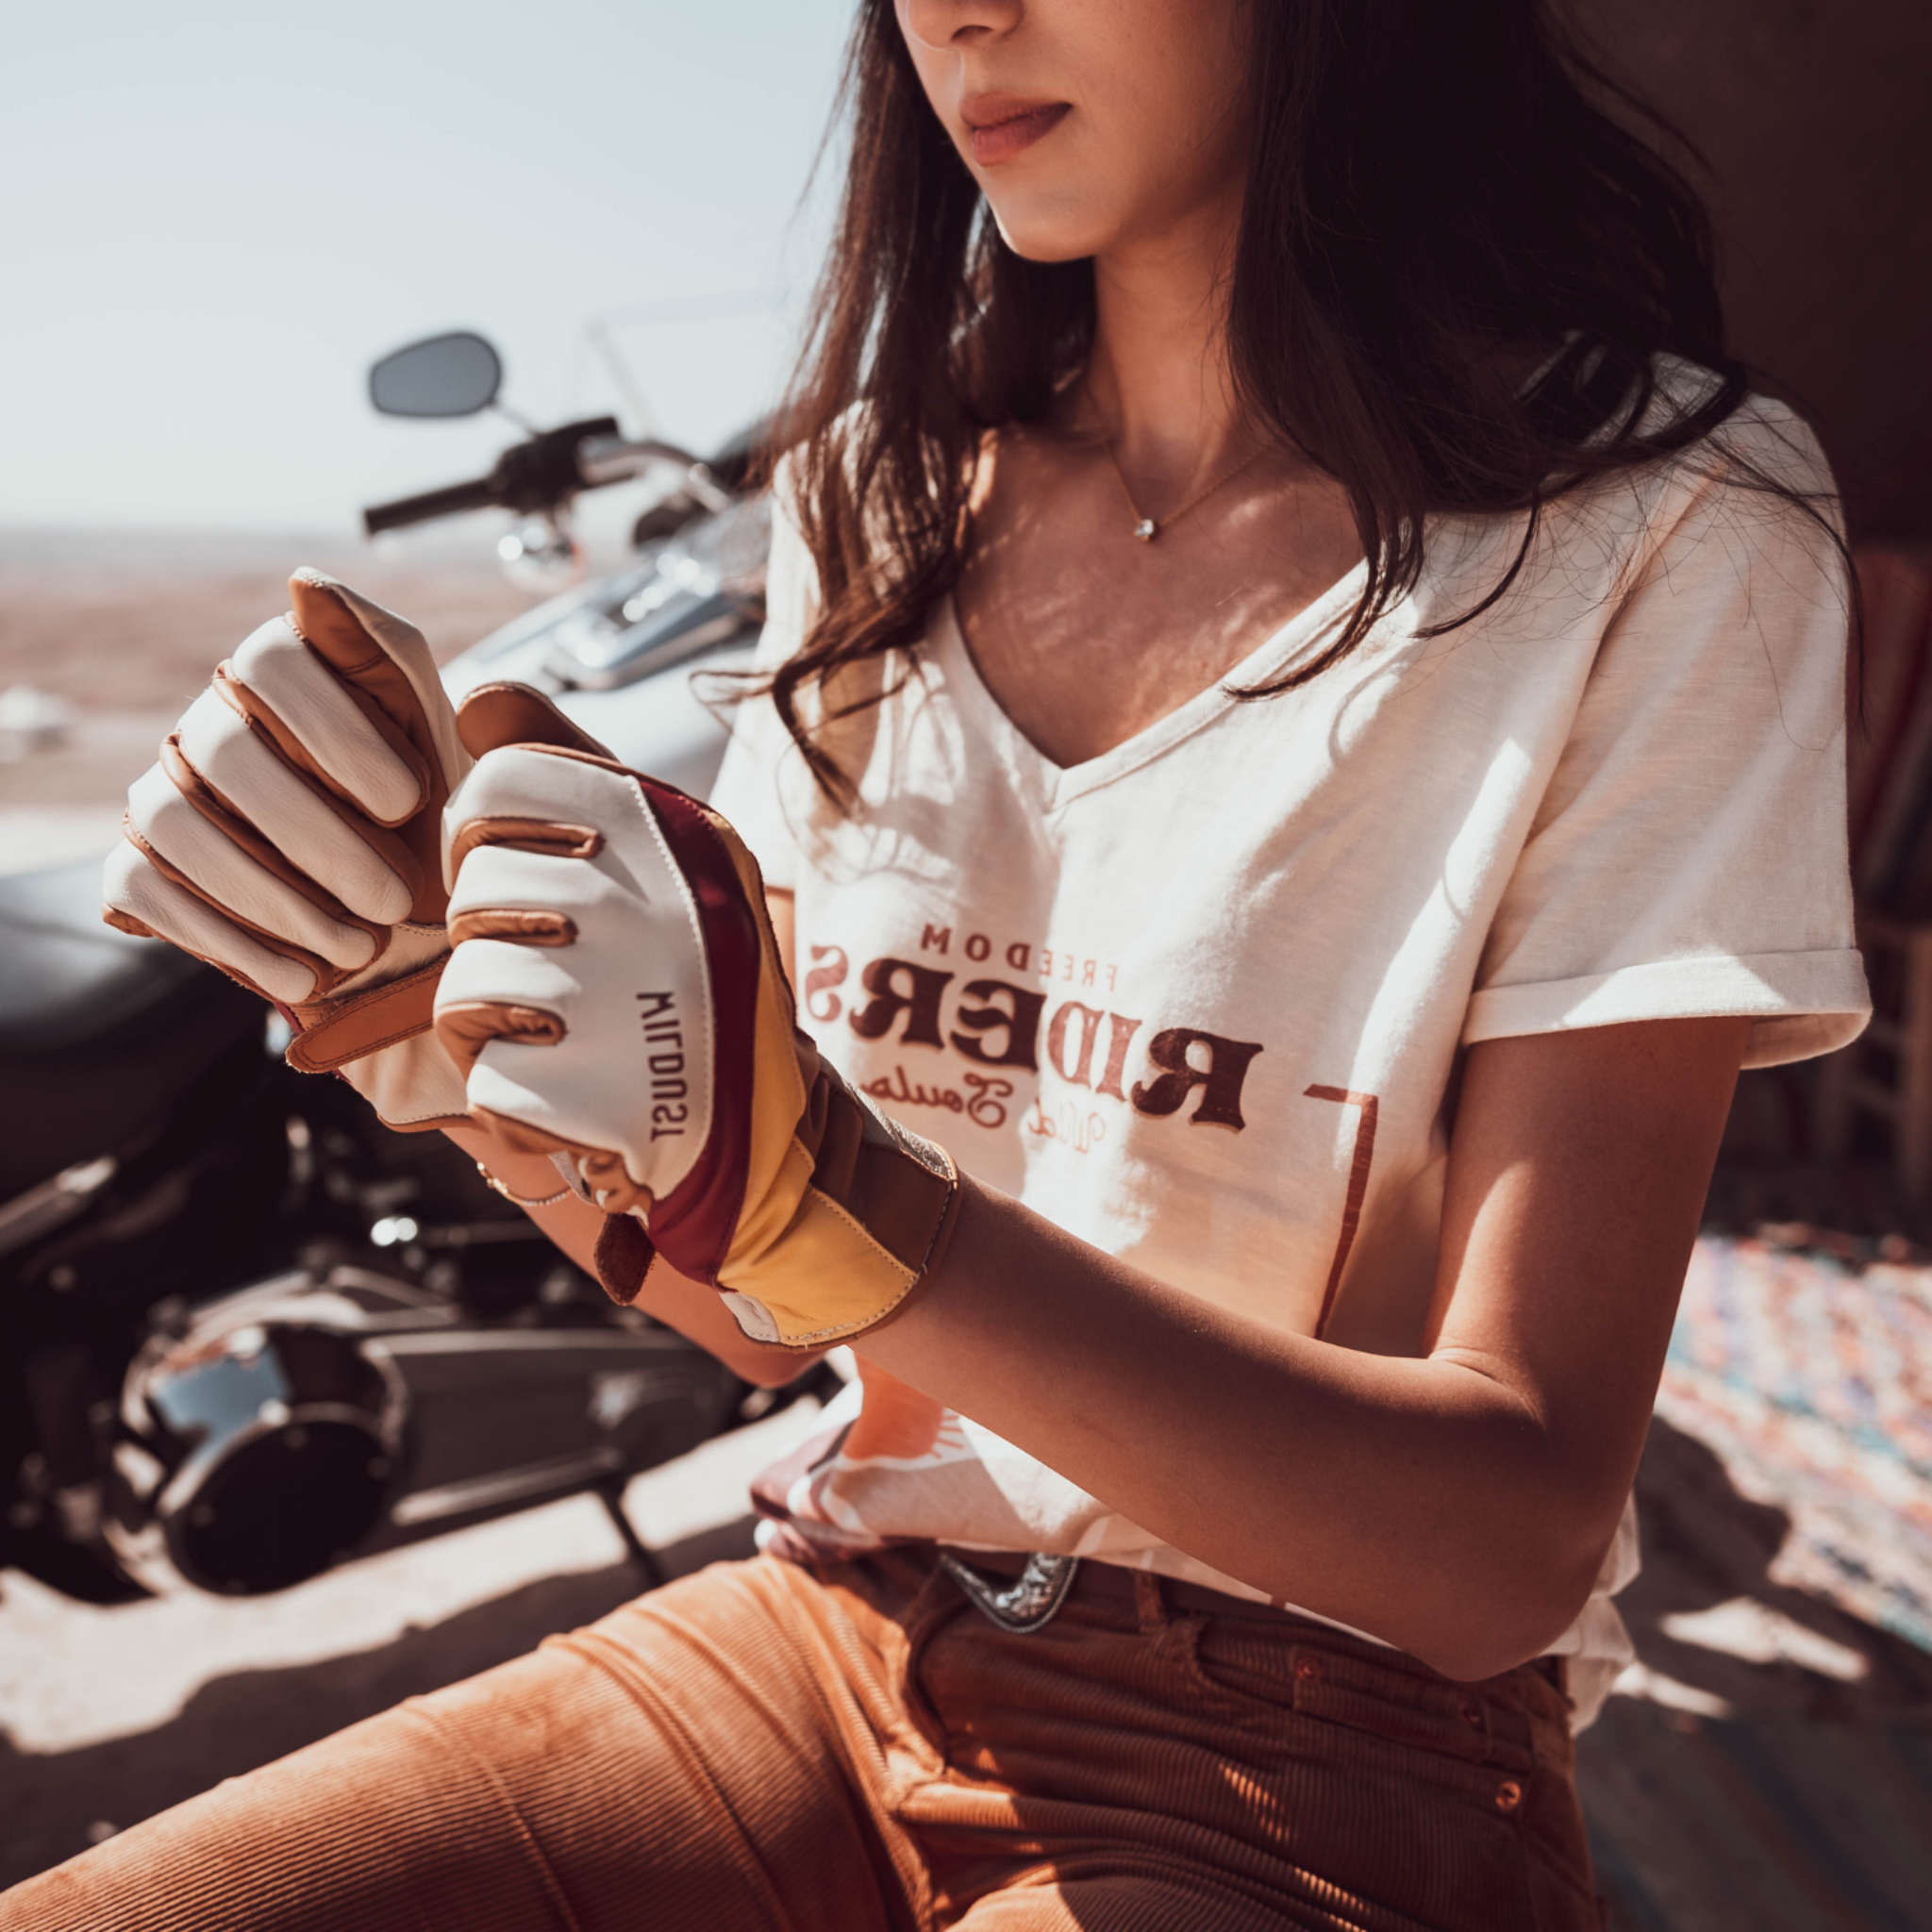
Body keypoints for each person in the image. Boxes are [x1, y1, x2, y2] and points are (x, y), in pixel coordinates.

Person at [8, 1, 1869, 1927]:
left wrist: (847, 1201)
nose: (962, 14)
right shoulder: (870, 502)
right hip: (832, 1624)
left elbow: (1505, 1550)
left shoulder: (1669, 524)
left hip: (1325, 1743)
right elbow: (763, 1313)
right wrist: (432, 1030)